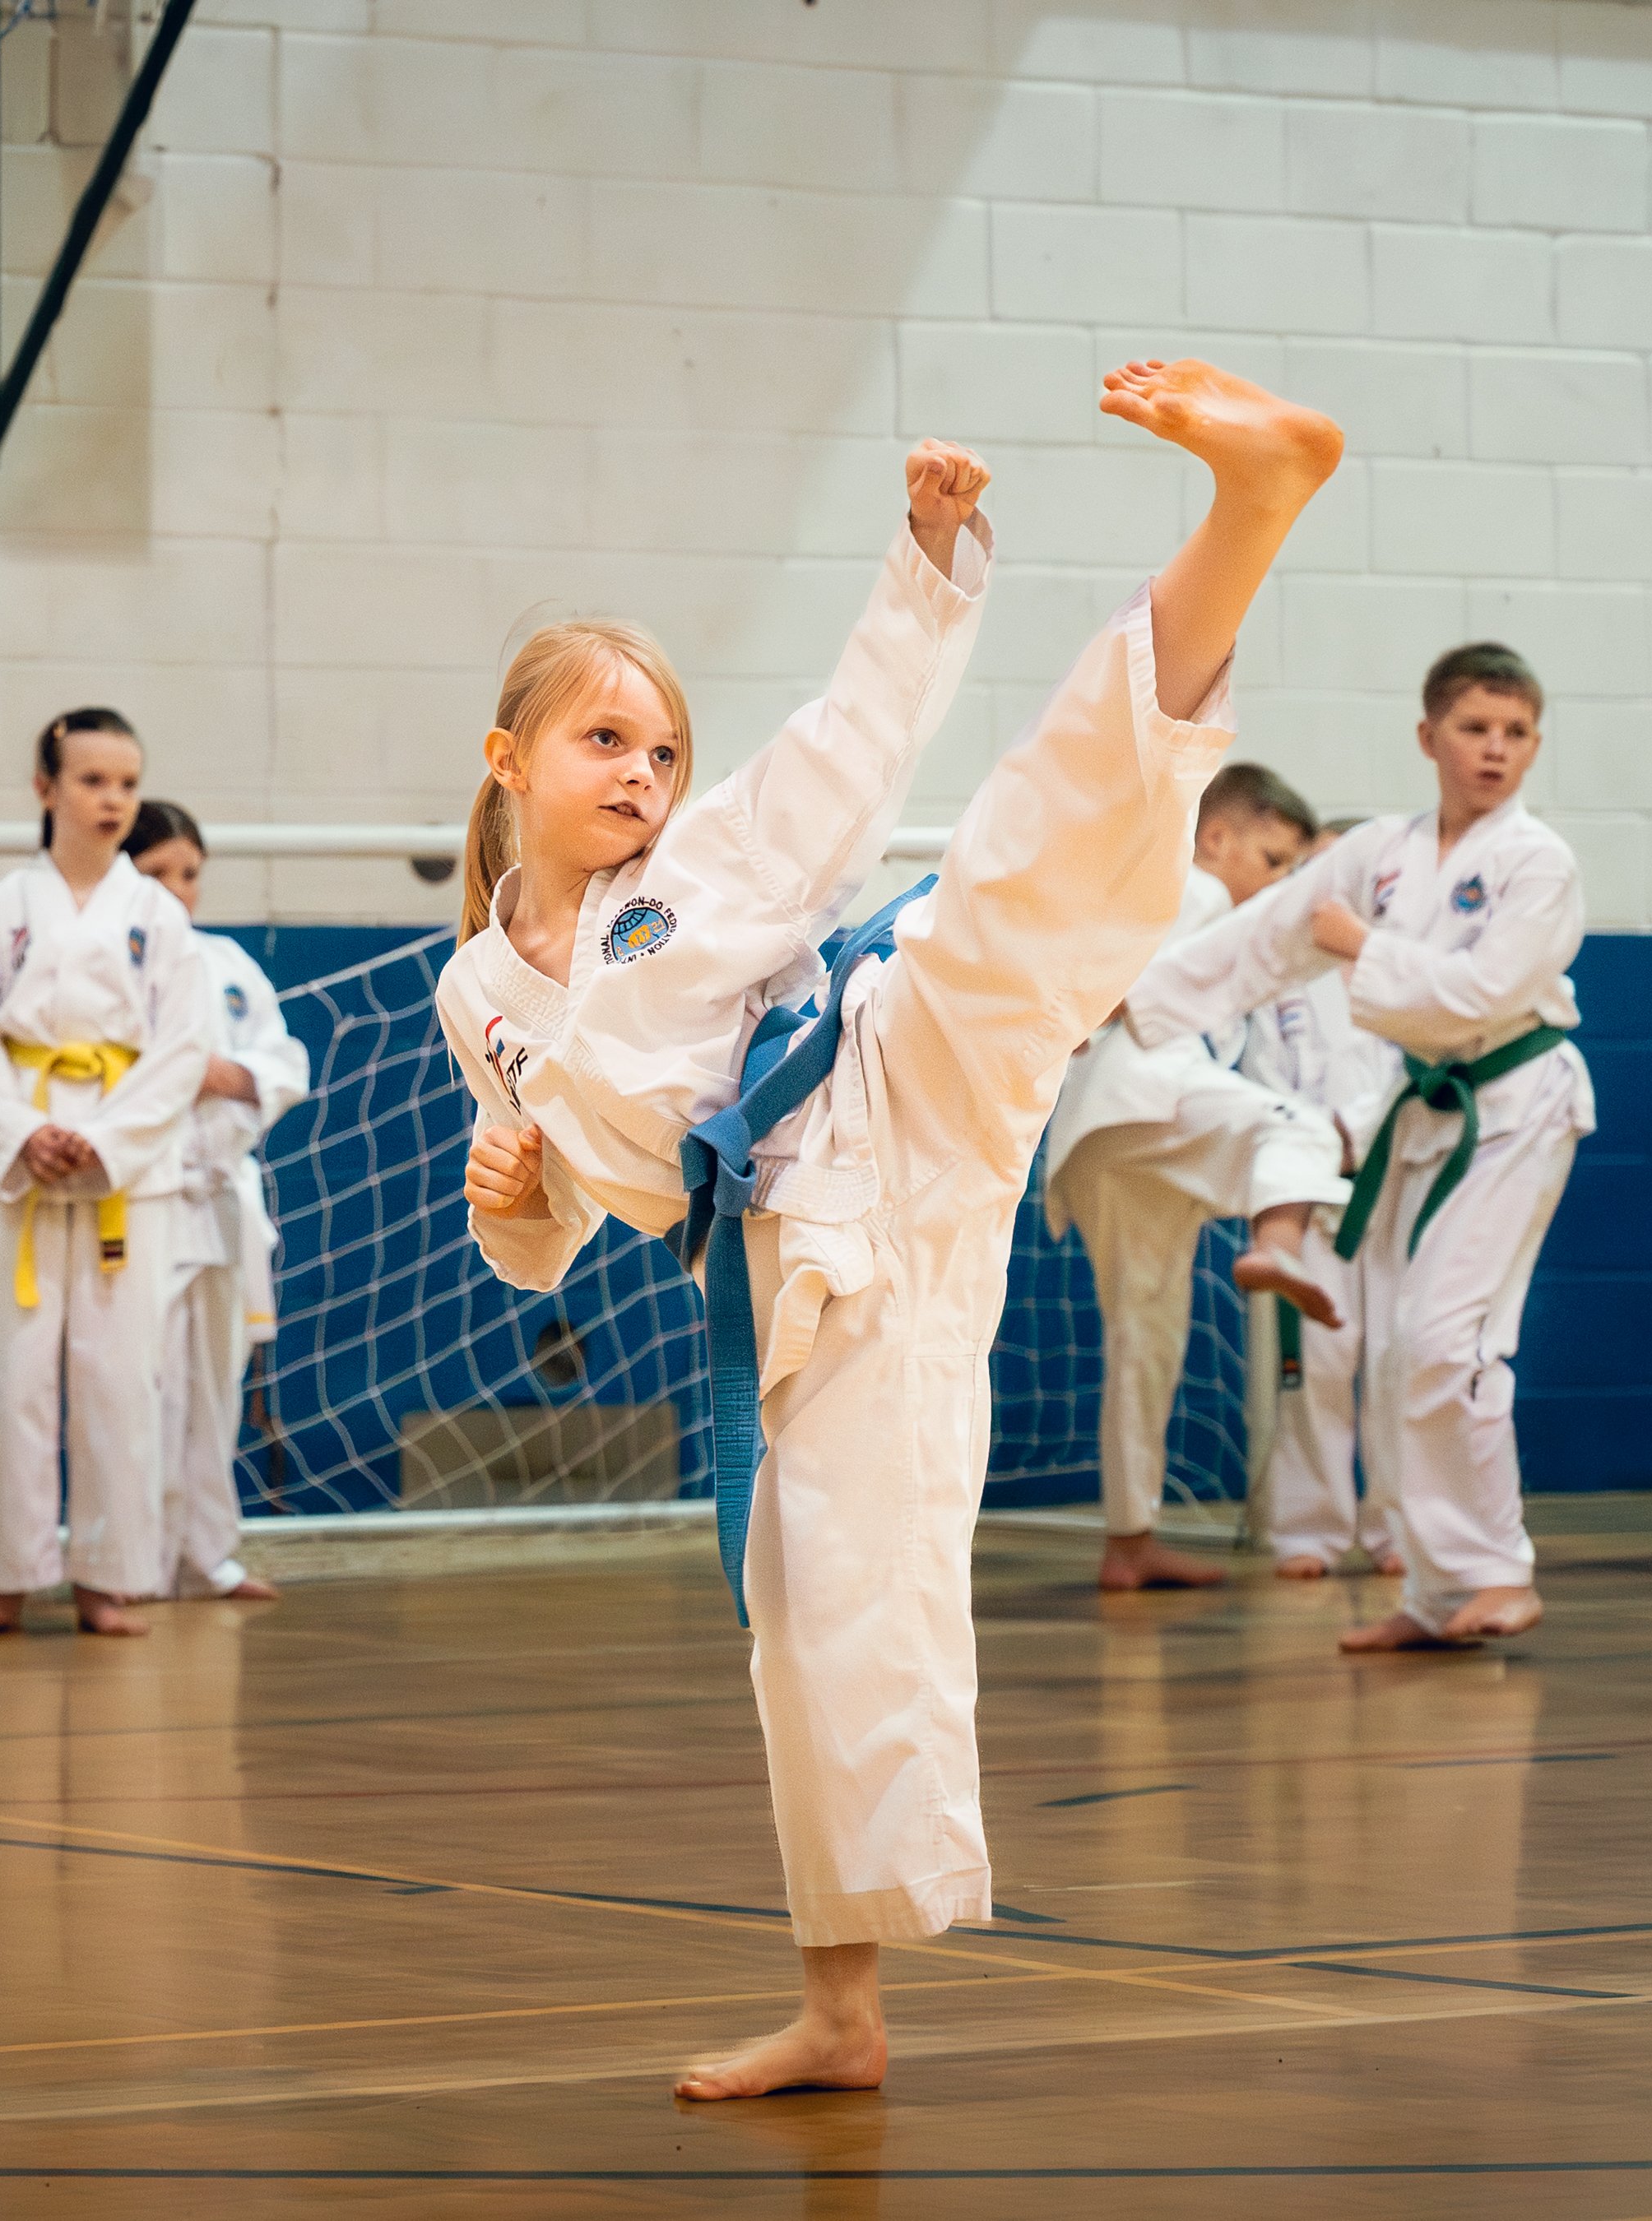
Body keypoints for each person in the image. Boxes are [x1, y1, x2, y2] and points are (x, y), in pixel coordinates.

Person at [436, 359, 1343, 2099]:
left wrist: (923, 563)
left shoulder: (696, 874)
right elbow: (547, 1235)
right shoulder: (477, 994)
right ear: (509, 758)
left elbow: (842, 753)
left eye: (661, 745)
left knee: (1027, 871)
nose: (643, 770)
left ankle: (1245, 507)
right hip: (802, 1268)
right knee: (814, 1612)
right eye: (603, 740)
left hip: (878, 1068)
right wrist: (517, 1202)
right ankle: (840, 2016)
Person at [1126, 642, 1591, 1651]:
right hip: (1417, 1119)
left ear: (1534, 746)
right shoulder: (1378, 852)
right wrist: (1129, 1004)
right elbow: (1264, 939)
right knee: (1390, 1354)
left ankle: (1497, 1572)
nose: (1494, 751)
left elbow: (1481, 994)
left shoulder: (1537, 862)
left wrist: (1361, 947)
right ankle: (1431, 1594)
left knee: (1443, 1345)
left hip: (1512, 1106)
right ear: (1428, 737)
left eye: (1514, 733)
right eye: (1473, 729)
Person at [1043, 763, 1351, 1593]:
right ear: (1217, 840)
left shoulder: (1176, 908)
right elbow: (1123, 978)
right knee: (1298, 1129)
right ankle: (1277, 1240)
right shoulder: (1199, 891)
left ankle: (1128, 1543)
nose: (1280, 882)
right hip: (1148, 1093)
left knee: (1144, 1338)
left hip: (1098, 1138)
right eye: (1276, 860)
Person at [0, 711, 211, 1635]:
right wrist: (19, 1131)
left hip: (127, 1169)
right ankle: (5, 1574)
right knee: (13, 1374)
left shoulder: (157, 916)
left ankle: (110, 1575)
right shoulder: (3, 908)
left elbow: (184, 1047)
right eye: (91, 781)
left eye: (126, 782)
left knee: (122, 1374)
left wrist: (108, 1140)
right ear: (44, 790)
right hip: (20, 1160)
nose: (113, 799)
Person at [125, 800, 309, 1602]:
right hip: (140, 1200)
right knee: (140, 1386)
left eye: (189, 873)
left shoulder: (227, 962)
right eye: (156, 872)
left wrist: (216, 1073)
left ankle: (209, 1553)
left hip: (222, 1197)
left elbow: (282, 1064)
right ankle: (130, 1560)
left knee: (217, 1382)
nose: (177, 890)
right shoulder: (107, 965)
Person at [1237, 821, 1403, 1579]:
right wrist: (1315, 1140)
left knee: (1404, 1364)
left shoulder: (1405, 972)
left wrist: (1358, 1131)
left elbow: (1423, 1075)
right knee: (1318, 1367)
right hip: (1311, 1194)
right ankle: (1309, 1530)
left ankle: (1398, 1528)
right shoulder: (1278, 978)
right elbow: (1264, 1079)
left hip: (1399, 1184)